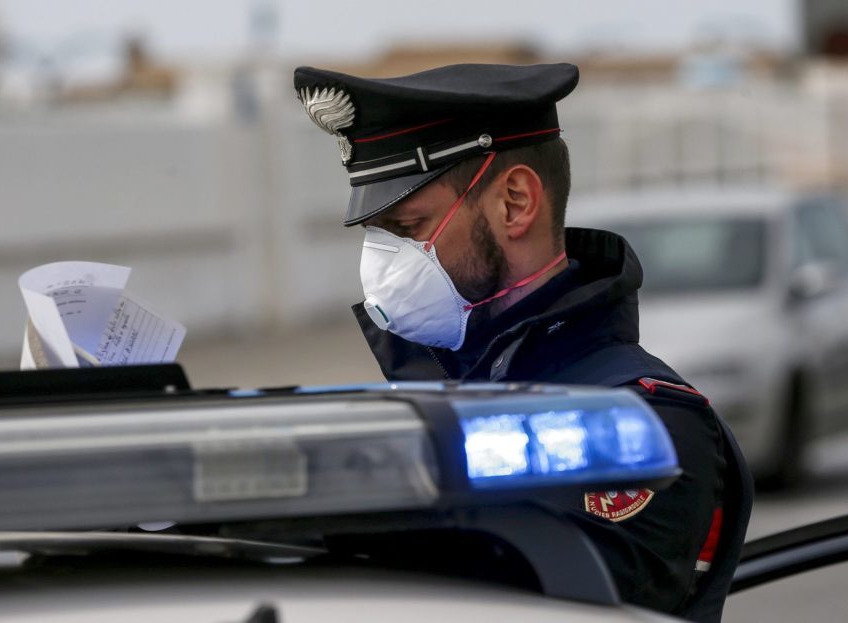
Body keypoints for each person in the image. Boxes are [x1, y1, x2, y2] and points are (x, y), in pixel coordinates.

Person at [294, 62, 752, 622]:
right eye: (378, 235)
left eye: (409, 228)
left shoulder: (641, 421)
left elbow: (530, 605)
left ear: (514, 202)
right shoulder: (440, 392)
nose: (382, 262)